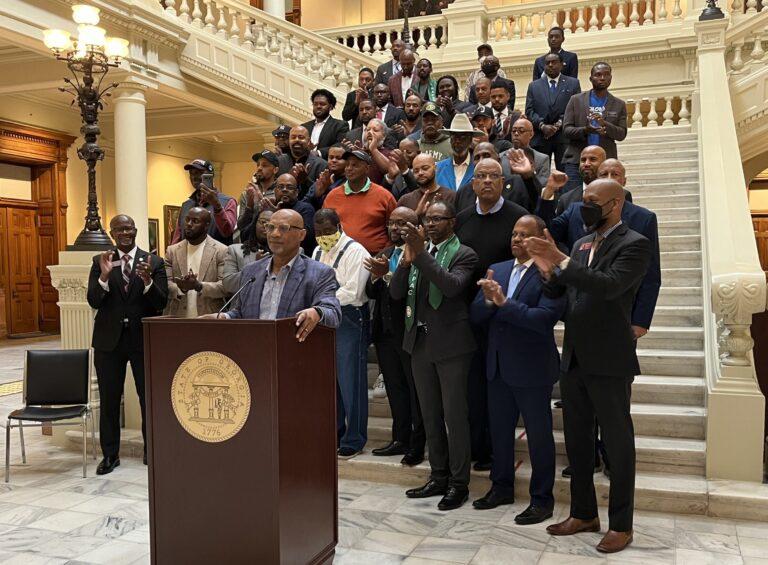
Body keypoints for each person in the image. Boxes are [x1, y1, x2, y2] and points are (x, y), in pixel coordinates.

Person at [525, 179, 651, 553]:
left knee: (616, 442)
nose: (584, 208)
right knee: (578, 441)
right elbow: (562, 293)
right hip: (575, 355)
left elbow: (608, 285)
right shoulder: (580, 244)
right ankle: (583, 512)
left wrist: (560, 260)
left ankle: (621, 524)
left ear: (615, 204)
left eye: (592, 202)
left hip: (610, 358)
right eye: (582, 201)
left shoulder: (635, 244)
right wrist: (548, 271)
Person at [470, 215, 566, 523]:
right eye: (514, 233)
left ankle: (542, 498)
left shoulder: (548, 273)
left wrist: (503, 303)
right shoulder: (496, 269)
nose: (516, 239)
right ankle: (501, 487)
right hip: (497, 366)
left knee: (539, 437)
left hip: (532, 369)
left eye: (524, 234)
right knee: (499, 433)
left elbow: (544, 319)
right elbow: (475, 313)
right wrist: (487, 302)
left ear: (540, 239)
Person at [391, 201, 479, 511]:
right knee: (429, 415)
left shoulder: (464, 253)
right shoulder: (415, 252)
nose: (430, 224)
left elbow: (452, 286)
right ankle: (438, 476)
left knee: (454, 417)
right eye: (427, 218)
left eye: (438, 219)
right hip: (419, 342)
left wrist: (421, 253)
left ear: (452, 222)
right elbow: (396, 293)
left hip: (452, 345)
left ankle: (459, 484)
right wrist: (404, 263)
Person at [455, 157, 529, 469]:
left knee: (503, 388)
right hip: (471, 316)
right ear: (472, 183)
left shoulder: (519, 218)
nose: (487, 181)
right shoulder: (462, 219)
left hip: (508, 317)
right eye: (481, 176)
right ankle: (479, 449)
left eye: (493, 176)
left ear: (503, 183)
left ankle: (501, 451)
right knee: (474, 386)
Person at [87, 215, 168, 474]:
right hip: (108, 343)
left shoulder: (154, 262)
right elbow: (93, 301)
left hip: (143, 341)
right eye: (120, 229)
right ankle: (110, 455)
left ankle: (151, 451)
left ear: (136, 231)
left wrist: (147, 284)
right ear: (112, 233)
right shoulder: (100, 262)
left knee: (148, 399)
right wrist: (103, 277)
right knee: (110, 401)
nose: (125, 232)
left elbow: (161, 302)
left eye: (129, 228)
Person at [211, 209, 342, 342]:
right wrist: (224, 317)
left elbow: (333, 313)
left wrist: (317, 312)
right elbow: (241, 312)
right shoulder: (251, 271)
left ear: (301, 235)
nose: (275, 234)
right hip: (255, 352)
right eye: (270, 227)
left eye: (284, 228)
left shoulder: (320, 273)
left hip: (295, 354)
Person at [364, 206, 425, 466]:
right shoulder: (385, 253)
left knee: (415, 391)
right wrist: (377, 278)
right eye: (391, 223)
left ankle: (417, 443)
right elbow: (370, 291)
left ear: (415, 227)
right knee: (396, 389)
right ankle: (399, 438)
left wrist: (388, 275)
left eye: (402, 223)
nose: (395, 228)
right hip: (385, 333)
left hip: (411, 334)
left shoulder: (422, 254)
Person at [311, 208, 371, 459]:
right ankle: (335, 431)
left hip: (349, 318)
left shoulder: (356, 251)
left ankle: (354, 438)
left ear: (339, 227)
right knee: (329, 382)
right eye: (319, 232)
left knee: (350, 381)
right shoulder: (316, 251)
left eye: (328, 231)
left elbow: (354, 292)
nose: (324, 236)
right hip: (322, 318)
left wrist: (321, 301)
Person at [562, 62, 627, 189]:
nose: (602, 78)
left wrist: (605, 125)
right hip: (577, 160)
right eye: (598, 75)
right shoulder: (576, 100)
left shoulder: (619, 104)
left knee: (606, 199)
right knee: (571, 199)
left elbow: (621, 134)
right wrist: (586, 130)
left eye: (606, 75)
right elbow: (567, 130)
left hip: (606, 162)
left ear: (611, 78)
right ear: (591, 78)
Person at [322, 149, 397, 255]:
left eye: (354, 165)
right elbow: (324, 228)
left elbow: (395, 229)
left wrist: (384, 254)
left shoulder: (384, 196)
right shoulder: (332, 196)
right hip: (339, 256)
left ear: (367, 168)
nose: (349, 168)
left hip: (374, 258)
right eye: (347, 165)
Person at [164, 207, 228, 317]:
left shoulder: (221, 250)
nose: (189, 224)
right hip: (177, 319)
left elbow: (225, 287)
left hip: (209, 319)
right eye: (187, 219)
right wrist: (181, 288)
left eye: (195, 221)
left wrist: (199, 286)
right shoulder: (172, 251)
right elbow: (165, 284)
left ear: (207, 225)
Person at [526, 52, 582, 173]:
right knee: (540, 174)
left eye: (554, 62)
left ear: (562, 65)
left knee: (564, 174)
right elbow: (529, 111)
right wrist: (542, 126)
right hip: (540, 137)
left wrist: (558, 124)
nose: (550, 65)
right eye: (547, 63)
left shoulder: (573, 83)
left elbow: (575, 108)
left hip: (563, 136)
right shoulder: (534, 86)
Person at [455, 144, 539, 214]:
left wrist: (528, 176)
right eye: (477, 157)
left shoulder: (516, 183)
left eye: (486, 155)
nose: (481, 160)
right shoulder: (463, 192)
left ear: (499, 161)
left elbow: (535, 204)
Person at [171, 159, 236, 245]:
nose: (194, 177)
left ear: (210, 176)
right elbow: (177, 240)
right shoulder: (186, 205)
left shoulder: (228, 202)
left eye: (198, 173)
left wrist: (217, 206)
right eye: (191, 173)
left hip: (217, 257)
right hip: (189, 257)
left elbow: (227, 231)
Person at [223, 209, 272, 295]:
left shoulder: (283, 253)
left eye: (271, 224)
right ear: (254, 224)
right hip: (243, 306)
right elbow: (228, 284)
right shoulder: (235, 250)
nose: (265, 226)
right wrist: (256, 265)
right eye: (263, 222)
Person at [549, 145, 607, 213]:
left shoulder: (617, 195)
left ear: (604, 164)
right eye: (583, 160)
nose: (586, 164)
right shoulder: (566, 199)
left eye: (593, 159)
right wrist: (548, 190)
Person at [237, 150, 279, 242]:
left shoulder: (279, 192)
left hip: (273, 242)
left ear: (275, 170)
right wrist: (250, 206)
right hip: (249, 245)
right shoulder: (247, 193)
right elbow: (241, 226)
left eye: (264, 165)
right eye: (258, 165)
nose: (259, 168)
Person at [277, 126, 328, 200]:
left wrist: (305, 180)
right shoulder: (279, 162)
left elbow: (321, 195)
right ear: (289, 140)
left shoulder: (321, 165)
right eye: (293, 137)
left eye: (301, 137)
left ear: (308, 141)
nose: (297, 140)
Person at [435, 113, 483, 191]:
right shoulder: (438, 168)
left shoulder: (479, 167)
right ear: (450, 139)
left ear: (470, 140)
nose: (457, 141)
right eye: (454, 136)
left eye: (463, 137)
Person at [272, 173, 316, 255]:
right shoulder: (270, 209)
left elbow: (307, 238)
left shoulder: (305, 209)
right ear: (275, 191)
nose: (284, 190)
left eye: (289, 187)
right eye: (280, 187)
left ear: (296, 192)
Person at [503, 118, 552, 188]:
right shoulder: (501, 157)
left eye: (521, 131)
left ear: (531, 134)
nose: (516, 133)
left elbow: (542, 188)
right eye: (513, 131)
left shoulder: (542, 159)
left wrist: (530, 175)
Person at [302, 89, 349, 158]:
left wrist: (319, 152)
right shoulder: (304, 127)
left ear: (331, 107)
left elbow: (340, 144)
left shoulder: (340, 125)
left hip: (327, 164)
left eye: (322, 104)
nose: (318, 106)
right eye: (315, 104)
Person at [305, 144, 347, 210]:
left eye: (338, 158)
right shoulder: (323, 178)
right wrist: (317, 195)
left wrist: (326, 191)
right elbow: (305, 203)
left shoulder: (350, 182)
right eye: (331, 157)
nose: (334, 160)